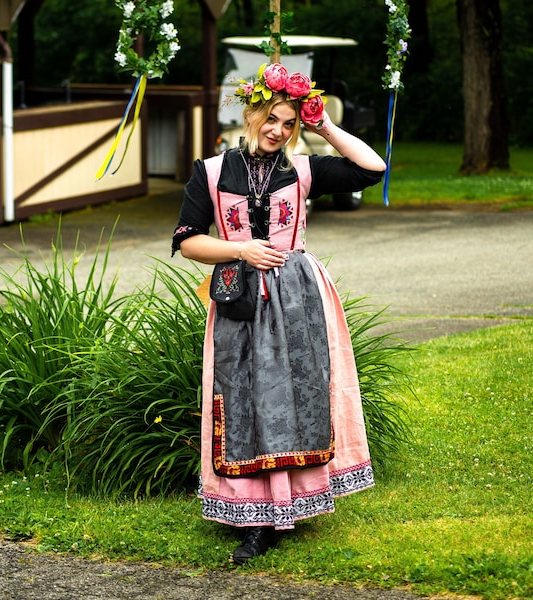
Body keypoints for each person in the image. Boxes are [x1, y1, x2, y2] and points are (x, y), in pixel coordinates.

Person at [172, 63, 387, 565]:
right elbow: (186, 242)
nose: (278, 131)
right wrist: (242, 250)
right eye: (271, 119)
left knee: (295, 395)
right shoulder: (210, 171)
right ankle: (255, 516)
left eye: (288, 123)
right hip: (239, 297)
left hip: (298, 296)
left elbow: (373, 169)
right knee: (243, 395)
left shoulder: (303, 168)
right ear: (251, 115)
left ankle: (288, 505)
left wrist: (323, 127)